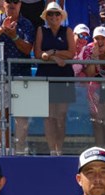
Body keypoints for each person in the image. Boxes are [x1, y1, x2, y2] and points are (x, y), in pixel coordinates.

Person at [0, 0, 35, 153]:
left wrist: (14, 36)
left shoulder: (27, 24)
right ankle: (4, 149)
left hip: (22, 75)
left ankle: (19, 151)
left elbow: (27, 49)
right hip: (0, 75)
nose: (12, 4)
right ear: (3, 3)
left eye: (16, 1)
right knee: (0, 115)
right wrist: (2, 29)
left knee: (22, 117)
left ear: (20, 4)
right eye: (9, 1)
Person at [35, 1, 77, 156]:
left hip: (63, 77)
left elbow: (71, 52)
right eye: (50, 13)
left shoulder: (68, 30)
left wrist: (51, 54)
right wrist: (57, 57)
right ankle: (52, 150)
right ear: (46, 16)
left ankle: (60, 149)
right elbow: (39, 54)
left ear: (61, 16)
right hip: (46, 77)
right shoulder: (41, 30)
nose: (54, 16)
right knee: (48, 117)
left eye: (57, 13)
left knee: (60, 117)